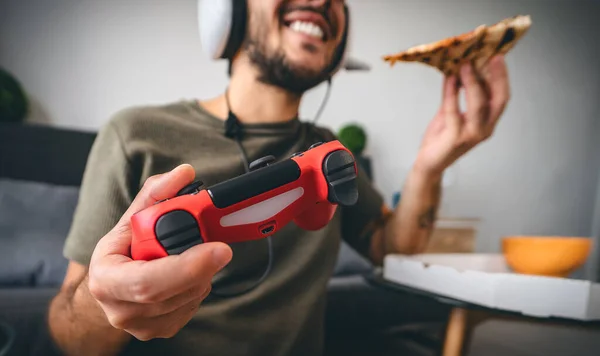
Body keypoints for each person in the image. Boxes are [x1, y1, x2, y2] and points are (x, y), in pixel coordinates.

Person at [47, 0, 511, 355]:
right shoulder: (136, 134)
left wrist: (430, 165)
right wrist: (104, 303)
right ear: (226, 13)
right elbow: (73, 339)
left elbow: (393, 248)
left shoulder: (329, 153)